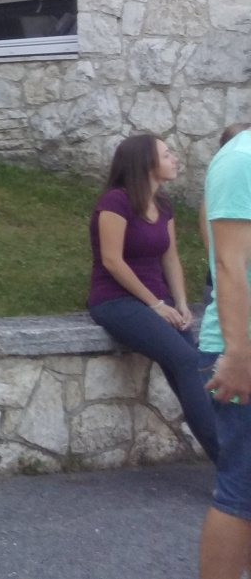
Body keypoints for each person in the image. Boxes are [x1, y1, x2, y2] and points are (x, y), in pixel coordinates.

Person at [86, 134, 218, 462]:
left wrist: (180, 302)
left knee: (193, 364)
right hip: (116, 301)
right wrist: (155, 304)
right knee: (185, 360)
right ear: (146, 163)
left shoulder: (162, 203)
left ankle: (229, 461)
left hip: (158, 301)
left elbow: (170, 257)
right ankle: (229, 462)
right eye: (167, 154)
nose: (175, 159)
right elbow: (112, 261)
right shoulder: (115, 202)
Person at [198, 126, 251, 579]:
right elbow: (229, 263)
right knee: (242, 495)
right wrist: (238, 353)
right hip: (244, 349)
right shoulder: (242, 159)